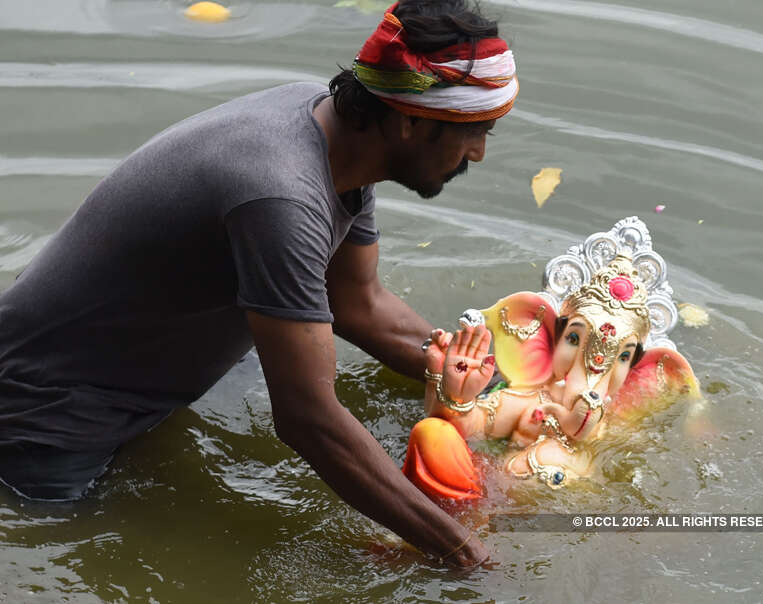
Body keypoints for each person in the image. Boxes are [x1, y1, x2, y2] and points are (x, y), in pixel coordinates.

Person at [0, 0, 518, 567]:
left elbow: (358, 304)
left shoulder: (334, 131)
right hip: (44, 424)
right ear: (408, 122)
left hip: (139, 387)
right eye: (472, 133)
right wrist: (463, 550)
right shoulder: (281, 194)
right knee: (79, 557)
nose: (480, 154)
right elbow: (307, 418)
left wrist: (502, 389)